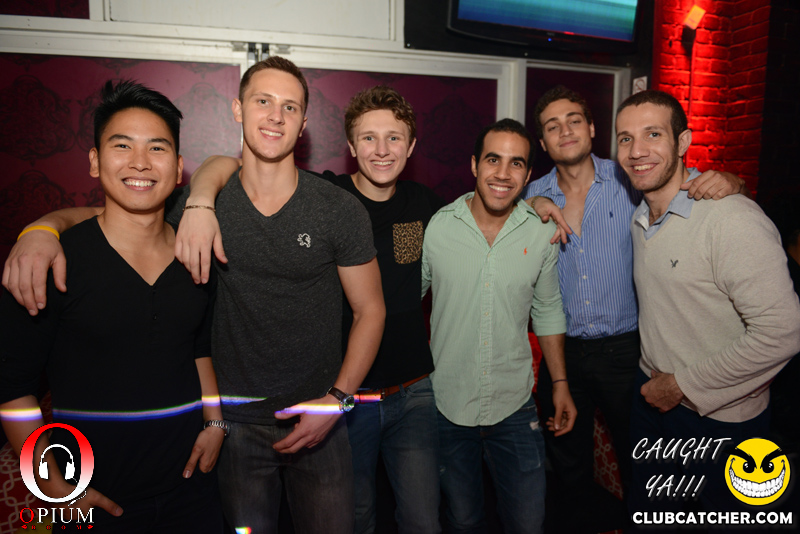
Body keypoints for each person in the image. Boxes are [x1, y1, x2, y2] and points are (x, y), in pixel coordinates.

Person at [2, 56, 386, 533]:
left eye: (289, 107)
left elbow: (369, 310)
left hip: (310, 423)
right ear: (237, 109)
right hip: (232, 429)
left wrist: (337, 400)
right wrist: (42, 228)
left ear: (304, 123)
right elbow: (116, 213)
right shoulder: (192, 207)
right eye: (262, 101)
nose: (275, 116)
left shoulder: (335, 209)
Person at [178, 85, 444, 533]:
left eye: (394, 138)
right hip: (346, 394)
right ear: (350, 147)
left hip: (411, 389)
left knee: (422, 520)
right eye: (368, 138)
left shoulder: (426, 206)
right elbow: (233, 164)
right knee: (356, 516)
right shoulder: (327, 196)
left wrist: (538, 204)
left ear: (412, 146)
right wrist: (201, 198)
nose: (382, 150)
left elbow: (484, 212)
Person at [0, 80, 224, 533]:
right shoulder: (52, 261)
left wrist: (216, 424)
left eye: (157, 148)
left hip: (193, 490)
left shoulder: (196, 254)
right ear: (94, 161)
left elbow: (198, 349)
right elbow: (12, 387)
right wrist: (50, 483)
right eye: (122, 145)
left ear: (178, 168)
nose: (140, 162)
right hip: (93, 500)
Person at [520, 86, 745, 532]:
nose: (565, 130)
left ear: (592, 128)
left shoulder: (632, 176)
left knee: (642, 462)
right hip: (562, 353)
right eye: (552, 126)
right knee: (567, 464)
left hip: (627, 350)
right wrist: (529, 204)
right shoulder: (532, 195)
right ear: (543, 143)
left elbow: (695, 187)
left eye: (574, 120)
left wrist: (734, 182)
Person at [615, 90, 800, 516]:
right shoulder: (639, 218)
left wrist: (681, 385)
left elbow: (783, 334)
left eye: (653, 134)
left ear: (682, 142)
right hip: (653, 401)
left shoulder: (732, 219)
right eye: (625, 138)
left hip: (722, 421)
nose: (637, 150)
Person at [421, 118, 575, 534]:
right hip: (447, 405)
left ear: (528, 174)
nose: (503, 174)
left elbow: (548, 309)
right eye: (493, 160)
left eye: (516, 163)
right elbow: (403, 304)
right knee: (463, 521)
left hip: (515, 404)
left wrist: (560, 384)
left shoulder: (541, 231)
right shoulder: (438, 227)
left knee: (528, 522)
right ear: (474, 164)